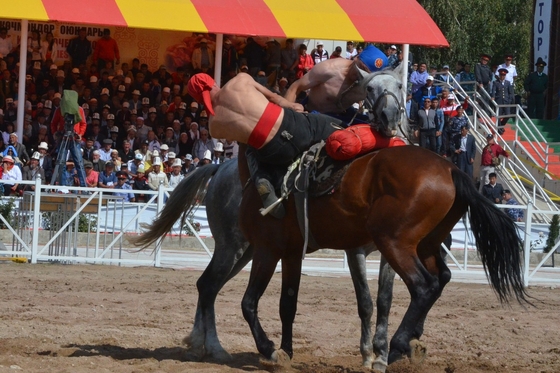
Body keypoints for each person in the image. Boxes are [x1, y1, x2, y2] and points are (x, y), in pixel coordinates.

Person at [187, 72, 341, 218]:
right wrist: (292, 105)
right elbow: (276, 98)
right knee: (332, 125)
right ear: (213, 83)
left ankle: (262, 178)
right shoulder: (241, 80)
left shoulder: (214, 128)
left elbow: (244, 139)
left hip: (275, 153)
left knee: (251, 150)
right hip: (295, 127)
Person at [50, 90, 87, 187]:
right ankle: (63, 186)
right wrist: (55, 134)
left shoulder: (79, 109)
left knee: (79, 163)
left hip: (75, 139)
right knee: (61, 163)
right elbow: (53, 123)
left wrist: (80, 134)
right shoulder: (59, 109)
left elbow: (83, 124)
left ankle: (84, 186)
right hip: (63, 137)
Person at [491, 68, 515, 133]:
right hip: (499, 101)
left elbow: (510, 92)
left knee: (508, 115)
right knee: (498, 115)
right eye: (501, 75)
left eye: (504, 75)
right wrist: (493, 96)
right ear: (499, 75)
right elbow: (493, 91)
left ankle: (501, 125)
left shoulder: (508, 83)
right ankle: (499, 129)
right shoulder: (496, 82)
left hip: (506, 101)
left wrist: (509, 100)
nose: (502, 76)